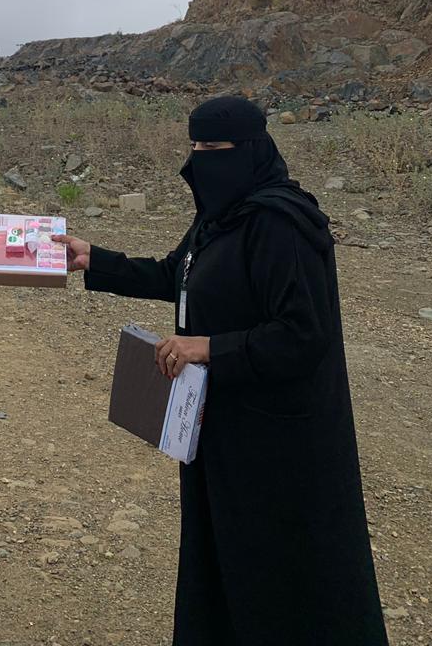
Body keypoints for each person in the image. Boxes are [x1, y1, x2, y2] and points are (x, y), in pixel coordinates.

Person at [54, 95, 388, 646]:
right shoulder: (219, 217)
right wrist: (97, 259)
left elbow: (304, 335)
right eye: (194, 146)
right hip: (221, 426)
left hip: (278, 443)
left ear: (250, 150)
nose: (199, 160)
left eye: (213, 147)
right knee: (223, 556)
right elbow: (177, 276)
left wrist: (208, 347)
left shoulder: (280, 224)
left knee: (278, 571)